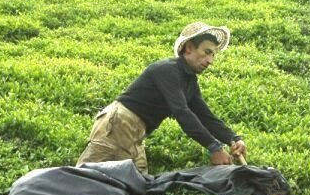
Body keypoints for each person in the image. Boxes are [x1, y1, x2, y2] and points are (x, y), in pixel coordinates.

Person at [76, 22, 247, 174]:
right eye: (207, 52)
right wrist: (214, 147)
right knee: (87, 179)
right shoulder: (168, 70)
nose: (210, 61)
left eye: (213, 55)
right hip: (120, 124)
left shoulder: (188, 80)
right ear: (188, 48)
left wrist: (233, 139)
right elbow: (181, 112)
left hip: (135, 131)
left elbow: (204, 115)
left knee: (136, 185)